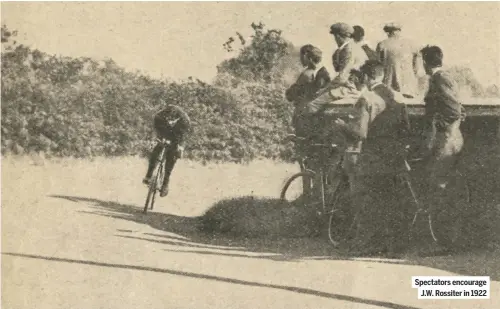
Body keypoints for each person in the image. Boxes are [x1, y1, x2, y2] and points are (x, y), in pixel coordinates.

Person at [334, 60, 412, 255]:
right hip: (394, 157)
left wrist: (342, 125)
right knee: (391, 201)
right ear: (382, 75)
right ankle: (394, 246)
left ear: (367, 77)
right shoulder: (398, 98)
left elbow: (360, 133)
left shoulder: (367, 98)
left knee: (367, 202)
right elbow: (406, 129)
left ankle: (368, 245)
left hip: (372, 158)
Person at [418, 45, 466, 205]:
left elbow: (454, 110)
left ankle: (441, 224)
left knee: (439, 183)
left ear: (425, 62)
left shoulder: (440, 78)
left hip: (446, 139)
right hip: (448, 137)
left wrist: (438, 125)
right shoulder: (442, 77)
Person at [143, 103, 191, 197]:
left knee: (171, 159)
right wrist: (157, 138)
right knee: (155, 153)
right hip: (164, 134)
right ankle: (148, 175)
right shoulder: (159, 116)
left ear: (177, 118)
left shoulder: (185, 121)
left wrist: (180, 146)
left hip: (177, 137)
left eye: (173, 120)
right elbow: (156, 129)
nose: (170, 121)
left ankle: (165, 184)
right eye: (168, 119)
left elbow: (184, 136)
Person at [286, 44, 331, 139]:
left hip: (304, 111)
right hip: (316, 112)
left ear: (308, 57)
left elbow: (292, 94)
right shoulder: (324, 72)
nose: (301, 60)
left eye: (302, 57)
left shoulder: (307, 74)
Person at [376, 23, 421, 98]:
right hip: (408, 85)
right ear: (398, 31)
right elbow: (417, 67)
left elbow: (379, 65)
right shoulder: (410, 44)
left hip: (389, 84)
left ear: (389, 32)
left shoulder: (382, 44)